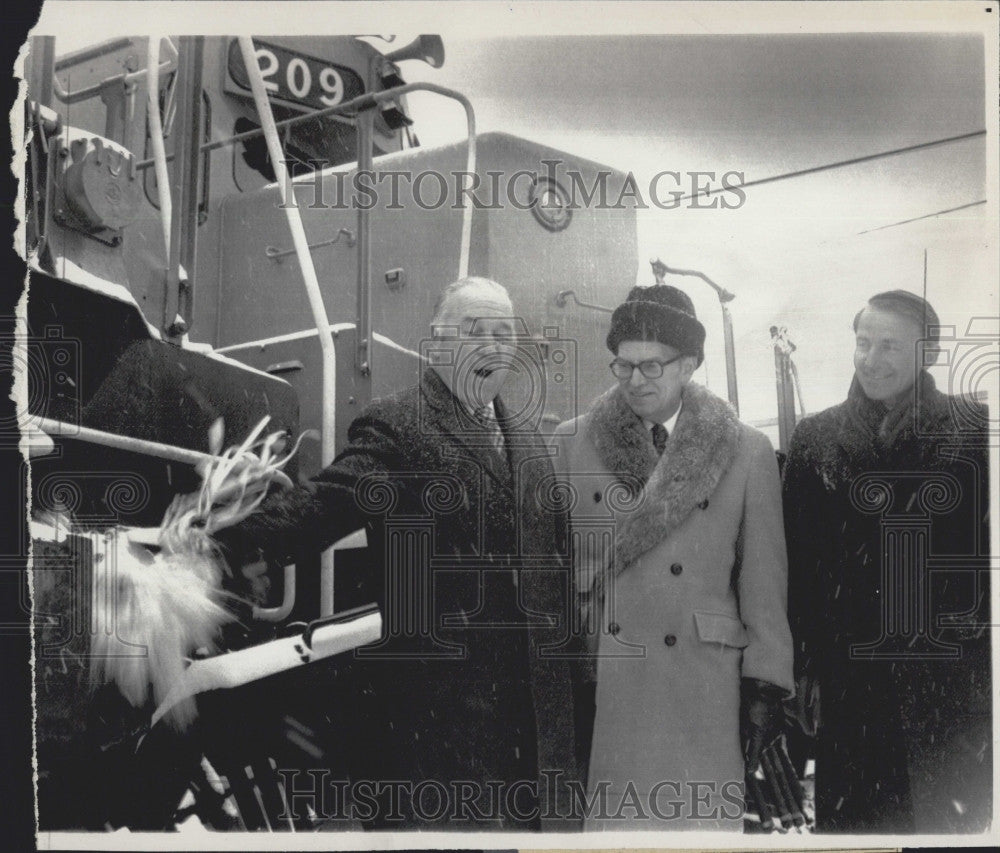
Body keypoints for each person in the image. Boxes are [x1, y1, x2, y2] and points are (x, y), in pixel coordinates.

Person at [217, 277, 580, 830]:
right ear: (437, 346)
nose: (489, 346)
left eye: (502, 334)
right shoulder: (400, 425)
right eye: (472, 331)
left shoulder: (528, 440)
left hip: (530, 727)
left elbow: (557, 558)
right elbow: (324, 503)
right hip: (440, 727)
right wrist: (224, 548)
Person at [550, 284, 794, 830]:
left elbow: (763, 581)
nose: (635, 380)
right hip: (612, 677)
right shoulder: (573, 442)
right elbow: (558, 573)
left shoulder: (746, 449)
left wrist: (767, 687)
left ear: (688, 365)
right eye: (623, 365)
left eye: (652, 366)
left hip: (704, 680)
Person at [782, 290, 992, 833]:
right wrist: (804, 666)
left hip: (948, 673)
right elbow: (800, 567)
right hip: (849, 671)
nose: (871, 359)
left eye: (890, 346)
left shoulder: (972, 430)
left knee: (947, 821)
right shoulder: (816, 438)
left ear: (927, 354)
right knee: (858, 825)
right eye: (863, 343)